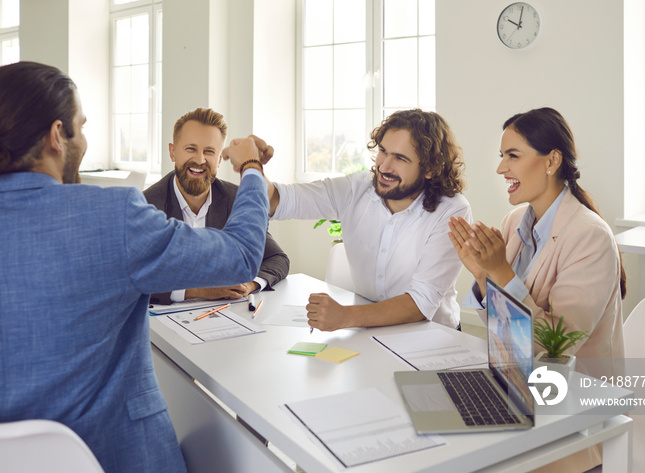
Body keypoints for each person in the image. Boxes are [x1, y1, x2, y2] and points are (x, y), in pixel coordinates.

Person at [0, 61, 271, 473]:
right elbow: (240, 256)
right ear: (57, 136)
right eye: (82, 126)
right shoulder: (114, 215)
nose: (85, 140)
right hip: (121, 456)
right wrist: (251, 168)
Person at [449, 107, 625, 473]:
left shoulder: (590, 235)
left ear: (552, 161)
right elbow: (503, 329)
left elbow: (556, 348)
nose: (501, 169)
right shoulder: (514, 221)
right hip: (517, 390)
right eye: (502, 156)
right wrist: (483, 276)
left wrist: (499, 269)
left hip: (575, 418)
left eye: (513, 155)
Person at [268, 109, 472, 331]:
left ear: (431, 168)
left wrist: (345, 316)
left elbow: (421, 303)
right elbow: (280, 201)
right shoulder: (357, 188)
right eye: (384, 151)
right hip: (370, 330)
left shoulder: (452, 210)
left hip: (433, 337)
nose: (384, 167)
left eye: (401, 158)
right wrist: (252, 166)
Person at [144, 108, 289, 304]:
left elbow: (277, 258)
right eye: (191, 149)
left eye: (209, 151)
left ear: (219, 159)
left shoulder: (238, 199)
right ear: (172, 152)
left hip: (227, 317)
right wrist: (197, 290)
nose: (200, 160)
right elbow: (132, 273)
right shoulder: (145, 205)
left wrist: (250, 284)